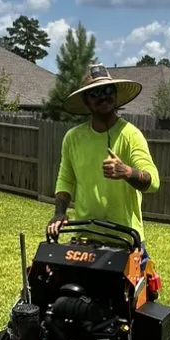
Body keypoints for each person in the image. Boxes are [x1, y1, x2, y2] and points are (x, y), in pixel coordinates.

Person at [47, 63, 160, 253]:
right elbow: (66, 179)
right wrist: (59, 214)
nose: (103, 96)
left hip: (125, 240)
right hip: (85, 237)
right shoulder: (73, 138)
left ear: (115, 95)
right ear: (86, 100)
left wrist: (127, 172)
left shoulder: (131, 135)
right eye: (95, 93)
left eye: (107, 90)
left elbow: (154, 182)